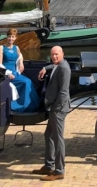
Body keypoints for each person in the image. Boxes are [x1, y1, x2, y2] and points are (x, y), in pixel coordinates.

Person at [32, 46, 71, 182]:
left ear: (63, 54)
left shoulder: (64, 68)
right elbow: (53, 67)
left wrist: (56, 109)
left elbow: (64, 92)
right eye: (52, 54)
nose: (54, 57)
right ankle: (49, 166)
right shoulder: (57, 65)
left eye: (57, 54)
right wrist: (45, 68)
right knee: (48, 134)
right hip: (55, 108)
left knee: (58, 138)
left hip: (58, 109)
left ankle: (59, 171)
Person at [0, 28, 39, 113]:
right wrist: (8, 74)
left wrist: (21, 63)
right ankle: (22, 106)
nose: (11, 39)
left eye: (13, 37)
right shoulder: (1, 48)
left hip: (15, 72)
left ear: (15, 38)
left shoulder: (16, 48)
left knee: (29, 81)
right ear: (7, 37)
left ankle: (30, 105)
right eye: (9, 36)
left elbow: (20, 55)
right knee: (25, 82)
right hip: (6, 73)